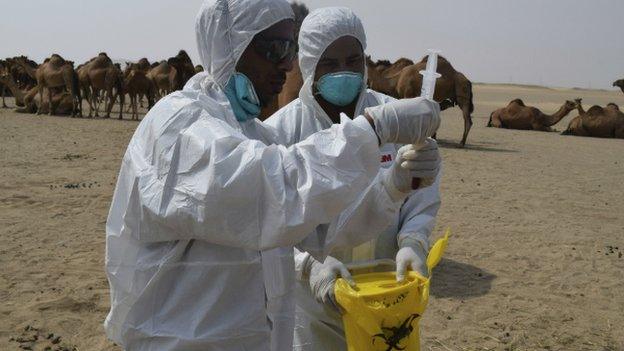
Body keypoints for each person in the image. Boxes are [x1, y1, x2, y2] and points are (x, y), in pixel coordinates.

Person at [104, 0, 440, 349]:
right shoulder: (180, 126)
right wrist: (373, 129)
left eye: (291, 50)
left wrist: (392, 188)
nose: (288, 66)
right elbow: (272, 192)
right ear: (229, 48)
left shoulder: (251, 133)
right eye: (275, 49)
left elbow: (318, 226)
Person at [265, 7, 442, 350]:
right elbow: (271, 222)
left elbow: (422, 194)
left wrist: (414, 241)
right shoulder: (281, 132)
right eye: (329, 64)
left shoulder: (397, 119)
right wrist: (309, 266)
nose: (343, 72)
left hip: (388, 292)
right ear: (309, 66)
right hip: (312, 307)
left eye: (352, 60)